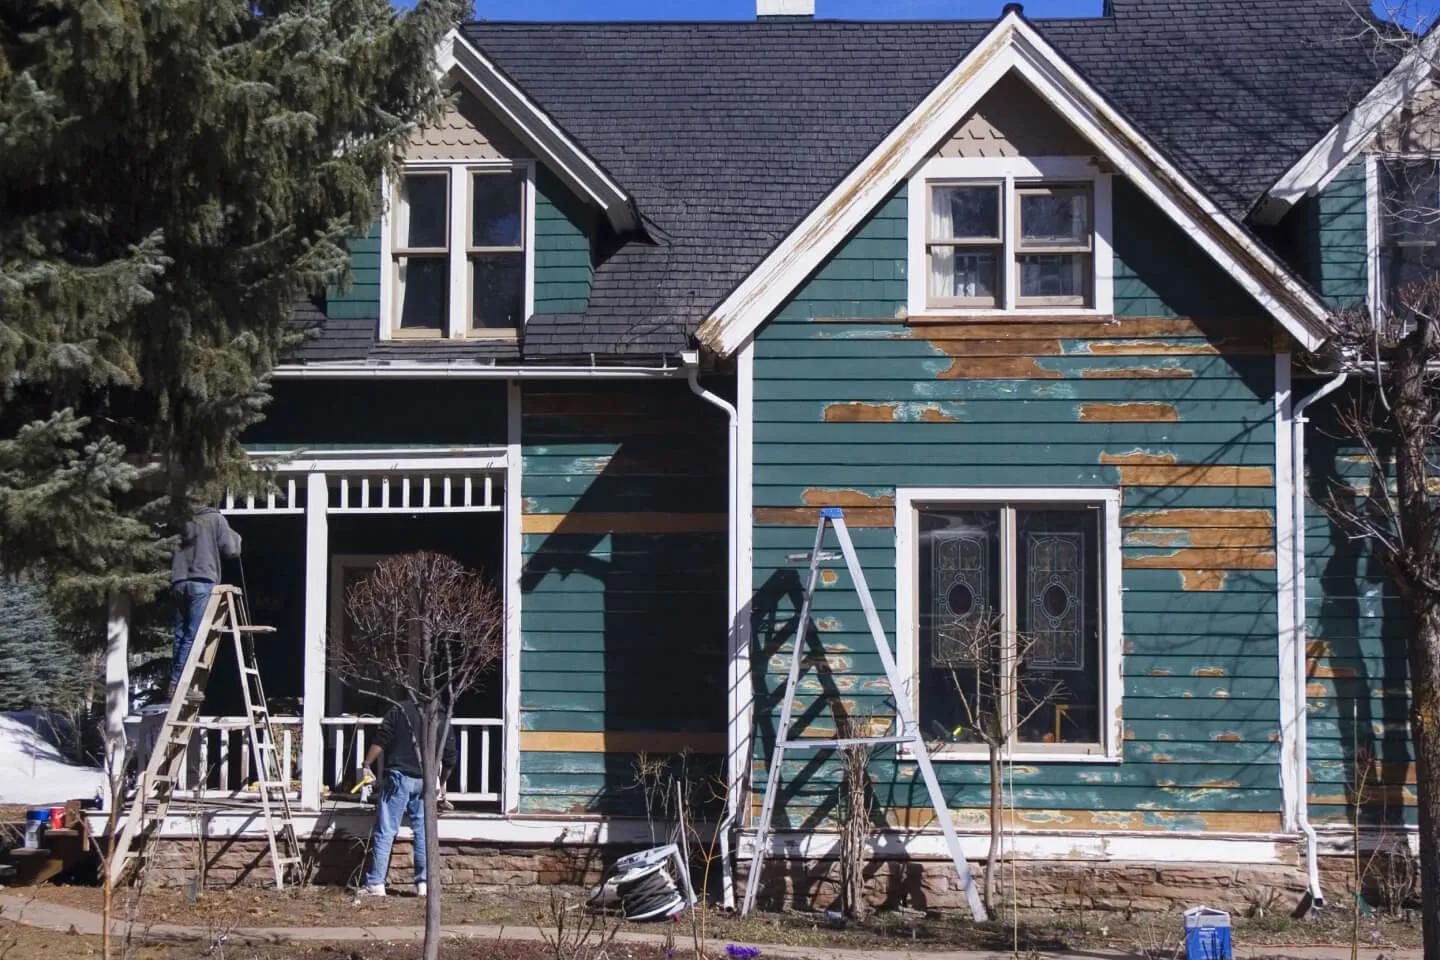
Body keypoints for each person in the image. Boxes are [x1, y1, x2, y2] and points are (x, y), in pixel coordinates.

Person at [357, 700, 456, 898]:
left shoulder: (399, 710)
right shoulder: (441, 716)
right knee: (423, 831)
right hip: (425, 781)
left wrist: (367, 763)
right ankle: (424, 884)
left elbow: (381, 738)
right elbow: (450, 756)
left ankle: (376, 883)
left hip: (398, 777)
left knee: (386, 830)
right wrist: (441, 782)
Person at [169, 506, 242, 696]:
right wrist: (236, 537)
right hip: (201, 580)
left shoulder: (180, 517)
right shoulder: (215, 518)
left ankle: (174, 682)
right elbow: (231, 550)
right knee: (194, 635)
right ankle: (181, 686)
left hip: (178, 581)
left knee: (180, 635)